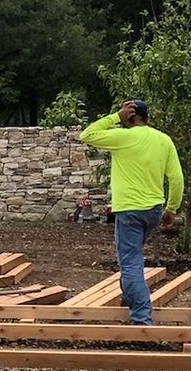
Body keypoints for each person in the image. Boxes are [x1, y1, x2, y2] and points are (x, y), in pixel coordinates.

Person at [78, 99, 183, 325]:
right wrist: (171, 209)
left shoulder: (122, 138)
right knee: (131, 256)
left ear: (129, 117)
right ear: (147, 117)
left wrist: (116, 116)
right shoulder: (163, 140)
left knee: (131, 262)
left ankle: (141, 318)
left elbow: (87, 134)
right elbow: (177, 179)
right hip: (154, 211)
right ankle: (127, 299)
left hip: (129, 212)